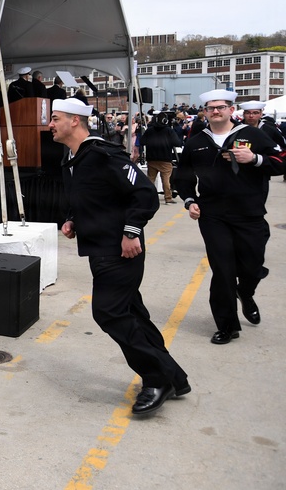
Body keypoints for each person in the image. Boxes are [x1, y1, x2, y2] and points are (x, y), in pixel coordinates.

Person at [50, 97, 189, 416]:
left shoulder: (103, 154)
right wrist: (73, 219)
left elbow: (143, 193)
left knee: (108, 312)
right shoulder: (73, 157)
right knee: (132, 314)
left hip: (120, 250)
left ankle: (157, 379)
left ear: (74, 121)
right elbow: (94, 198)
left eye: (55, 118)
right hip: (99, 249)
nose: (50, 124)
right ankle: (174, 378)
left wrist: (131, 231)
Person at [172, 89, 284, 345]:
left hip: (249, 213)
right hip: (213, 216)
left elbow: (281, 160)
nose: (215, 111)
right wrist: (189, 200)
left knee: (252, 267)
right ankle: (226, 325)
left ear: (231, 110)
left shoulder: (254, 135)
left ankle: (245, 292)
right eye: (211, 108)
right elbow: (183, 176)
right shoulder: (195, 141)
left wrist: (255, 159)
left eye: (221, 107)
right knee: (222, 271)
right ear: (205, 111)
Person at [140, 113, 182, 204]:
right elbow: (177, 143)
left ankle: (148, 197)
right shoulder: (169, 131)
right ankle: (168, 197)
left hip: (151, 159)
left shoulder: (150, 130)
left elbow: (142, 141)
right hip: (165, 158)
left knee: (151, 179)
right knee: (166, 180)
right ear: (165, 121)